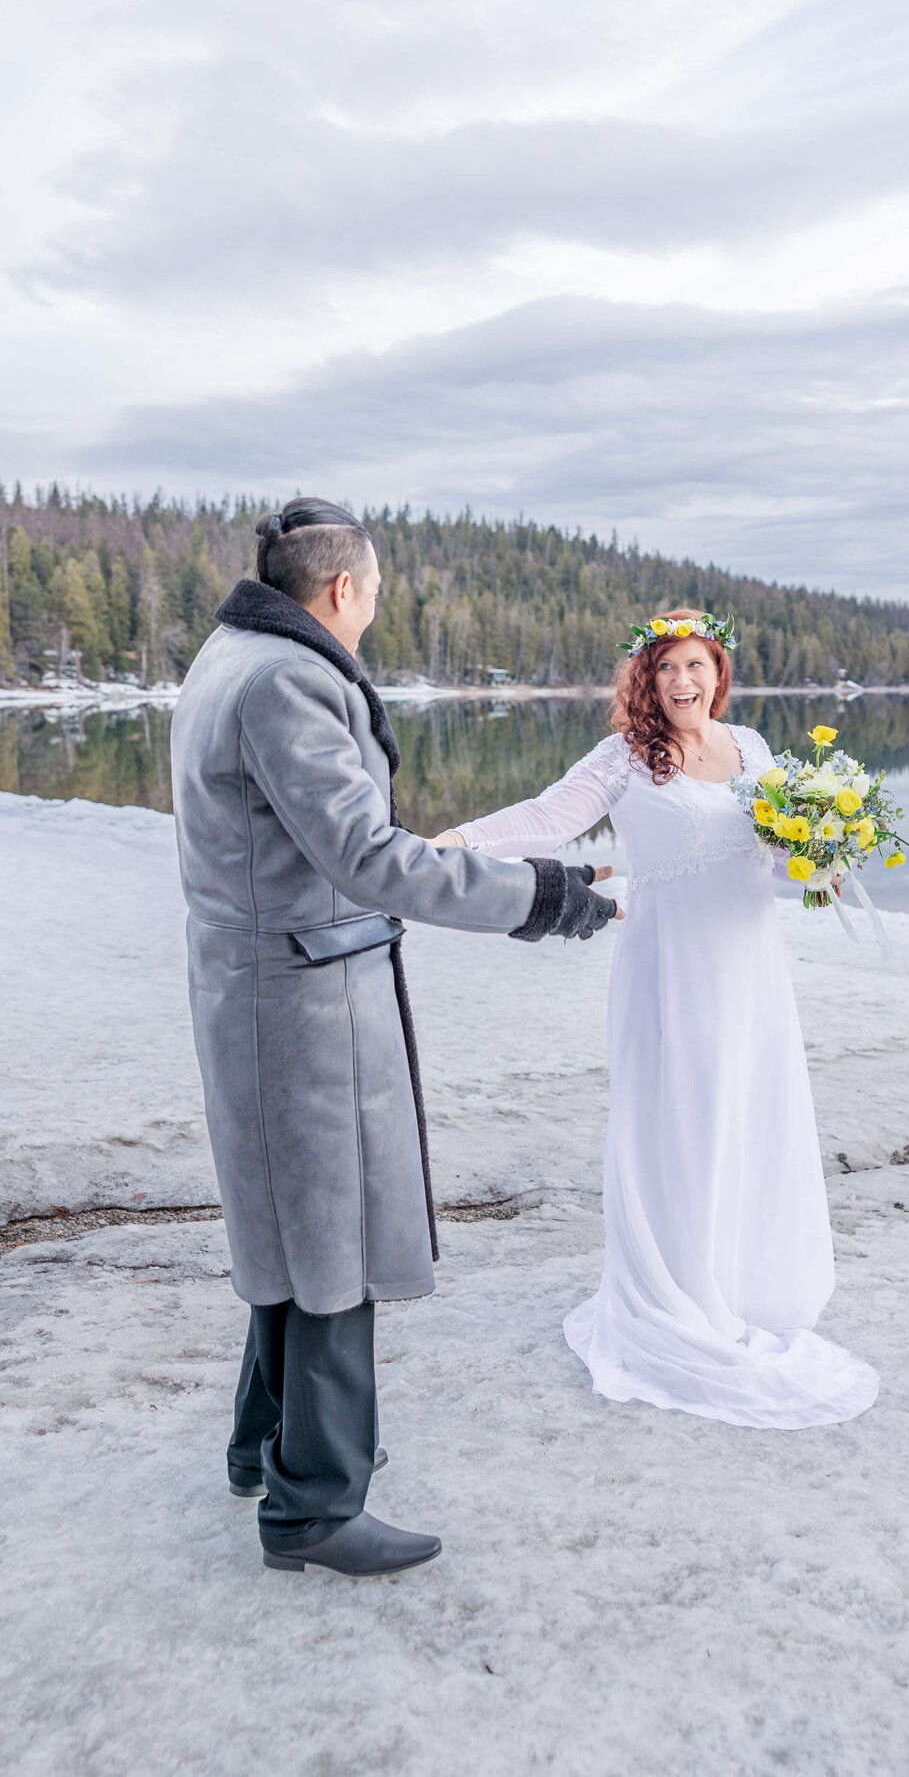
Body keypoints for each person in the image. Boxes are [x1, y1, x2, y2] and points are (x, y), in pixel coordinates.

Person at [170, 497, 619, 1579]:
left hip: (273, 980)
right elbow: (369, 859)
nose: (377, 601)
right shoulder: (284, 680)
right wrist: (538, 894)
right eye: (376, 586)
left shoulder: (230, 654)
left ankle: (261, 1448)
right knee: (328, 1232)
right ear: (340, 590)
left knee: (288, 1217)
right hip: (298, 997)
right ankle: (314, 1504)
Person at [433, 610, 878, 1430]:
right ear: (646, 678)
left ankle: (745, 1280)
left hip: (750, 967)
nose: (683, 682)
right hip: (672, 967)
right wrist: (451, 842)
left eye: (697, 666)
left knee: (749, 1113)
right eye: (667, 668)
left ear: (719, 672)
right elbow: (545, 817)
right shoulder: (625, 757)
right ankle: (680, 1291)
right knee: (683, 1118)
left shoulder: (753, 750)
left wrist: (824, 851)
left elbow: (775, 855)